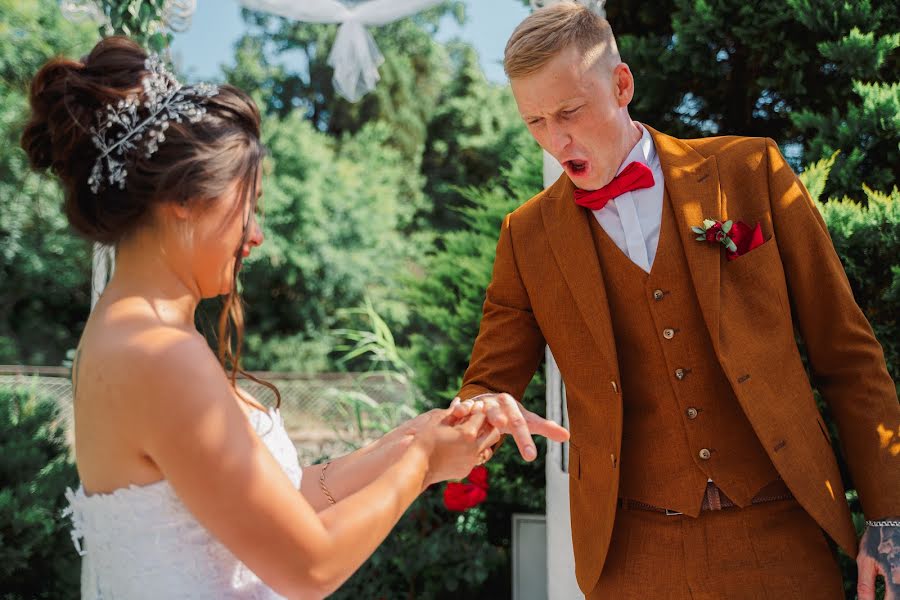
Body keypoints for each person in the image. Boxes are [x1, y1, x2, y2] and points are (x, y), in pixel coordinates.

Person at [20, 36, 569, 599]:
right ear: (182, 198)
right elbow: (310, 567)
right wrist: (423, 465)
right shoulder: (157, 353)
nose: (254, 235)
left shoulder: (132, 336)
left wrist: (417, 435)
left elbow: (296, 495)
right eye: (246, 204)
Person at [449, 3, 900, 598]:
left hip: (780, 534)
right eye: (534, 121)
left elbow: (848, 355)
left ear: (622, 84)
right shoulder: (526, 237)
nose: (555, 140)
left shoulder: (749, 171)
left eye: (569, 112)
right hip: (631, 558)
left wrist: (889, 521)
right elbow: (486, 385)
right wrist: (480, 410)